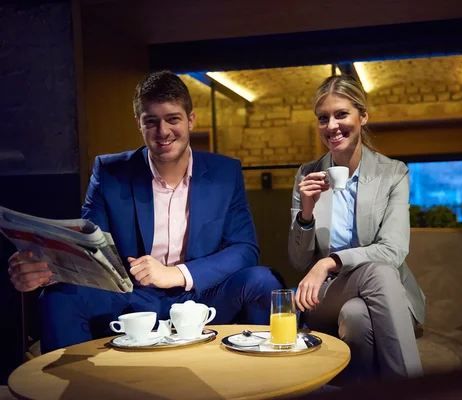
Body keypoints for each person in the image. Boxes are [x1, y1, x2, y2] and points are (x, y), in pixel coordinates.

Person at [7, 70, 283, 353]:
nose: (163, 132)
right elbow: (91, 246)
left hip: (203, 295)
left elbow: (245, 248)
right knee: (59, 296)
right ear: (139, 124)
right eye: (151, 121)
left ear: (190, 120)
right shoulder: (109, 172)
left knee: (261, 280)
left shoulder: (226, 172)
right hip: (131, 297)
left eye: (173, 119)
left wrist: (177, 273)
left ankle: (263, 384)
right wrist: (48, 269)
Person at [288, 75, 425, 380]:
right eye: (323, 118)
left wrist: (329, 261)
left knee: (357, 316)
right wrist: (306, 214)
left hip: (383, 293)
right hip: (327, 295)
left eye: (341, 114)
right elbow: (298, 261)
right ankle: (416, 392)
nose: (331, 126)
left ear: (362, 116)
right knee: (373, 276)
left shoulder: (393, 173)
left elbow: (393, 250)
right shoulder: (307, 174)